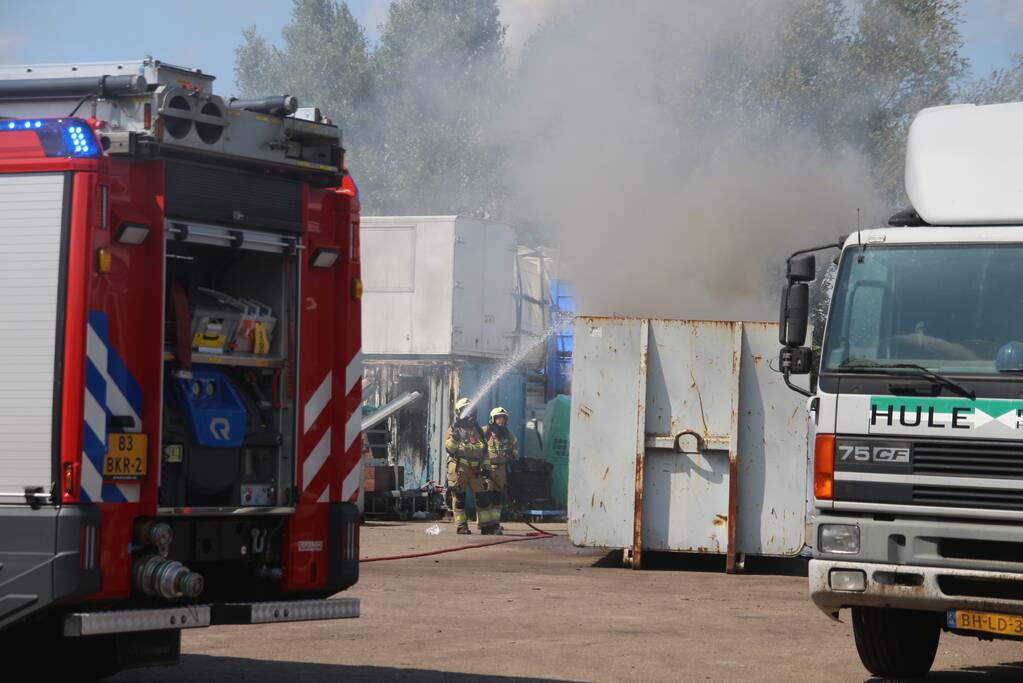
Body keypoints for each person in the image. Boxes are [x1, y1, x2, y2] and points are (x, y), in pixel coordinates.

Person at [445, 398, 499, 534]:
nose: (470, 415)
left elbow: (485, 452)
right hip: (460, 470)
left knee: (483, 499)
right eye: (466, 411)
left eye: (472, 411)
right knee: (459, 500)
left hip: (477, 472)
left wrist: (486, 468)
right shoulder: (454, 429)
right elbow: (450, 449)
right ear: (459, 412)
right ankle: (461, 526)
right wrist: (455, 437)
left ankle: (486, 526)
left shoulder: (479, 431)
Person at [484, 406, 518, 530]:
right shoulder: (485, 431)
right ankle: (485, 523)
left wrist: (512, 454)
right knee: (486, 497)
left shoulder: (508, 435)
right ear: (492, 419)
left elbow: (514, 447)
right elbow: (476, 445)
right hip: (488, 470)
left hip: (501, 470)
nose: (501, 421)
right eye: (498, 418)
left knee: (497, 498)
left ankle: (495, 522)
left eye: (503, 418)